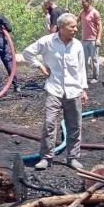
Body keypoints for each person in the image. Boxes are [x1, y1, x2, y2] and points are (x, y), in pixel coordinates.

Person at [22, 12, 89, 171]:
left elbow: (81, 69)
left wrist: (84, 89)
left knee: (75, 125)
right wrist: (39, 66)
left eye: (76, 26)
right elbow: (27, 53)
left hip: (74, 91)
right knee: (49, 123)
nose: (75, 29)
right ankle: (46, 157)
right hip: (54, 89)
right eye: (72, 26)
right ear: (61, 27)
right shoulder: (48, 41)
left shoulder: (77, 45)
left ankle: (72, 158)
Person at [78, 0, 103, 84]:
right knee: (83, 59)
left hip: (93, 39)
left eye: (84, 3)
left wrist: (98, 39)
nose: (82, 5)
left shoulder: (95, 13)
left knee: (94, 59)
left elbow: (100, 26)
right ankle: (84, 77)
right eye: (82, 3)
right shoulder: (82, 12)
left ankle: (95, 77)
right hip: (84, 40)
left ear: (89, 2)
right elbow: (76, 21)